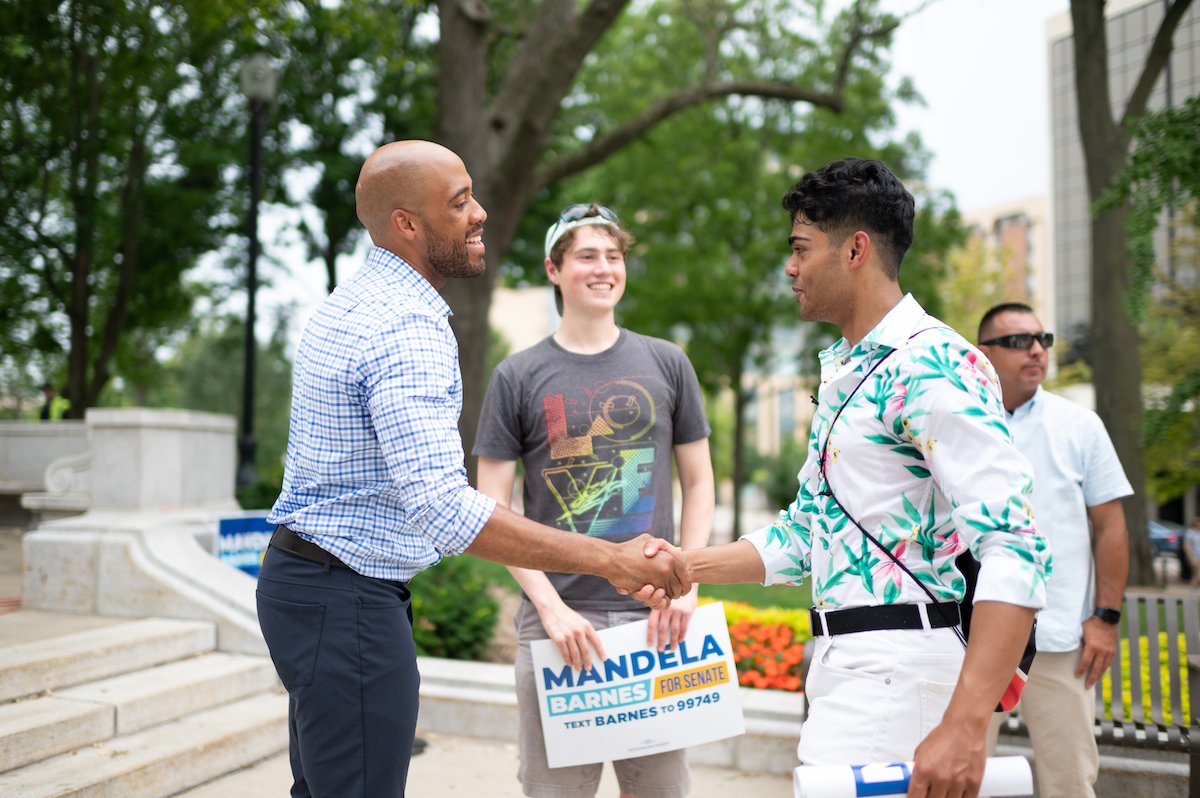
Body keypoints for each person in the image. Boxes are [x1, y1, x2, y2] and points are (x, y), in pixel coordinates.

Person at [256, 141, 691, 798]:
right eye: (459, 202)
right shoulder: (406, 325)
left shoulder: (354, 302)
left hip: (312, 589)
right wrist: (611, 560)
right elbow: (444, 508)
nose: (479, 212)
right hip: (344, 603)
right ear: (407, 223)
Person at [651, 157, 1052, 798]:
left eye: (801, 248)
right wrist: (682, 567)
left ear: (856, 249)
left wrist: (967, 722)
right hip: (853, 670)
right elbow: (806, 531)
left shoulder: (932, 363)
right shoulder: (848, 369)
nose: (790, 267)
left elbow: (1015, 545)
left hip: (902, 674)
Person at [474, 204, 715, 798]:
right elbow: (490, 507)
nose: (603, 268)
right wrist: (550, 608)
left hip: (655, 624)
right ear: (555, 270)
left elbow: (700, 482)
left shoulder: (667, 362)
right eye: (586, 256)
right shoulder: (517, 376)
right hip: (558, 627)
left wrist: (689, 583)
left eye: (613, 255)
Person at [977, 302, 1131, 798]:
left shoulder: (1079, 425)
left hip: (1059, 635)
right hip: (970, 633)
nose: (1037, 350)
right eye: (1019, 341)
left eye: (1042, 339)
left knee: (1070, 781)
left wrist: (1104, 617)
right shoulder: (959, 423)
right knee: (960, 776)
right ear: (984, 354)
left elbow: (1110, 527)